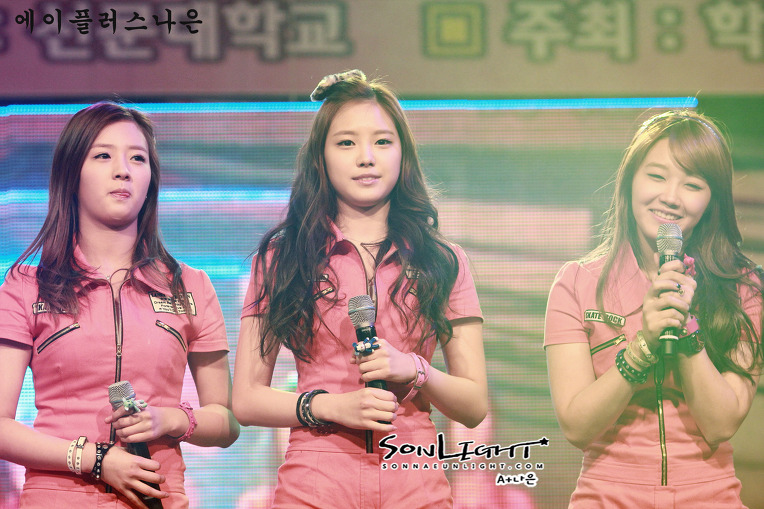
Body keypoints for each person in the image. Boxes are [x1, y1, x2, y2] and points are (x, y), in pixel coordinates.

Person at [232, 70, 487, 508]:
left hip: (416, 486)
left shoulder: (442, 259)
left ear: (403, 153)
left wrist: (415, 369)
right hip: (315, 486)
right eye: (346, 143)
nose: (366, 158)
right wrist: (330, 407)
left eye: (382, 142)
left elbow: (473, 403)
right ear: (321, 157)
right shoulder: (282, 256)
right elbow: (246, 399)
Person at [0, 102, 240, 508]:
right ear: (72, 173)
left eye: (137, 158)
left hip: (157, 498)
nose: (123, 170)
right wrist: (94, 459)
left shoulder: (191, 285)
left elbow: (227, 422)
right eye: (103, 156)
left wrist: (172, 418)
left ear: (151, 180)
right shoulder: (27, 285)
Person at [544, 110, 763, 507]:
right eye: (657, 176)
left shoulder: (743, 287)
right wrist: (643, 345)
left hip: (711, 497)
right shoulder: (576, 283)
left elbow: (720, 424)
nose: (671, 197)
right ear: (630, 181)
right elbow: (577, 426)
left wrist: (686, 328)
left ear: (712, 199)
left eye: (692, 184)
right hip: (606, 497)